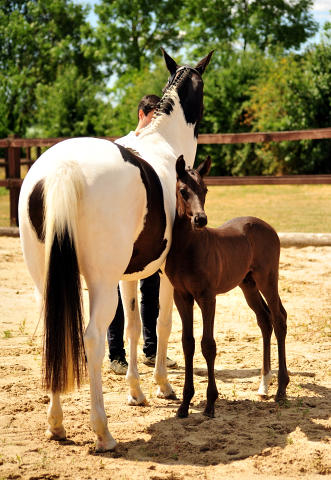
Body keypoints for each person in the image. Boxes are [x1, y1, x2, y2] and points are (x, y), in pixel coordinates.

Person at [107, 94, 178, 375]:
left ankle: (150, 351)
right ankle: (116, 355)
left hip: (149, 231)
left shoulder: (160, 149)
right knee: (114, 292)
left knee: (151, 290)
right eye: (152, 117)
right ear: (141, 114)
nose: (155, 123)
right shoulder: (121, 146)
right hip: (120, 231)